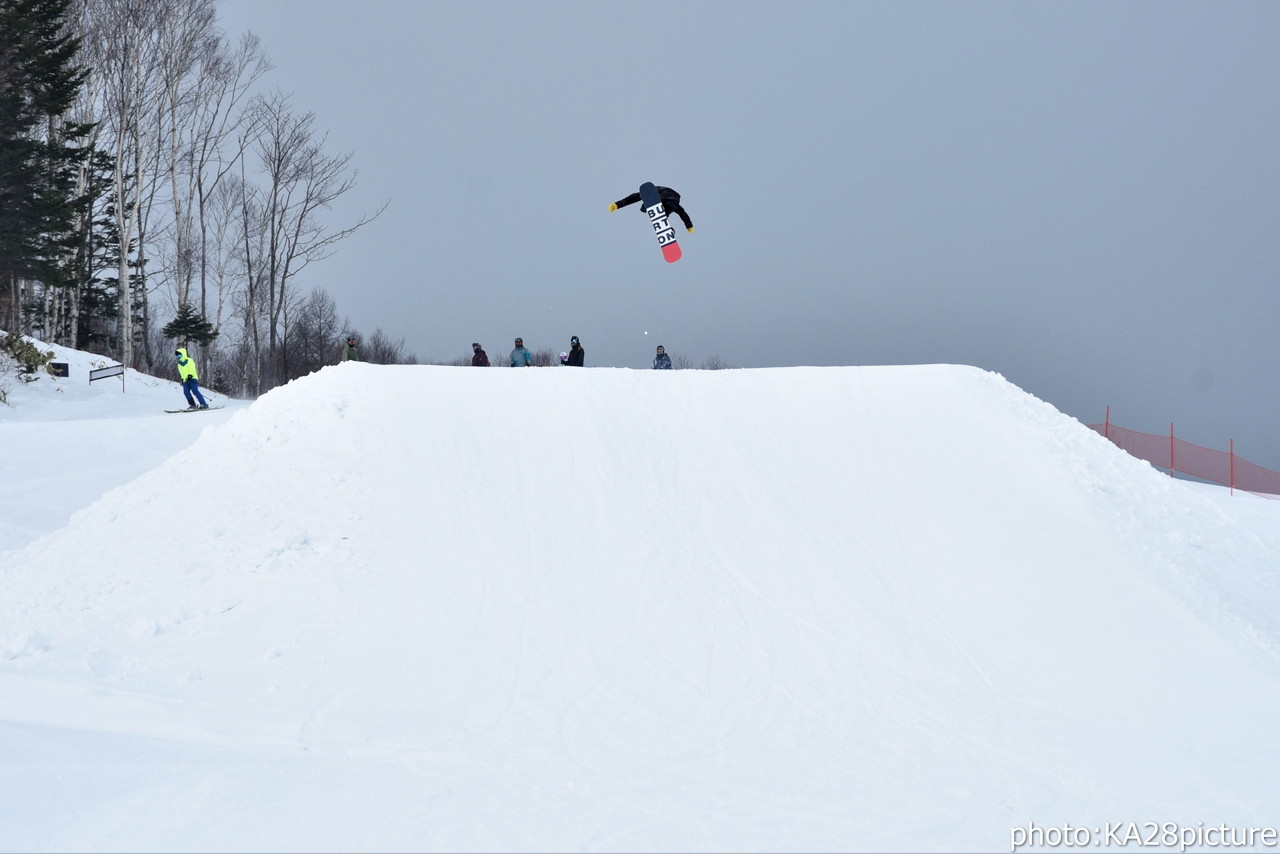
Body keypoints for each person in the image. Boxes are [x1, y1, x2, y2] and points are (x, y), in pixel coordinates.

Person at [609, 186, 693, 232]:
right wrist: (689, 225)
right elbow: (682, 212)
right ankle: (668, 230)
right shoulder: (652, 193)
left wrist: (617, 204)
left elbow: (632, 198)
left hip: (663, 197)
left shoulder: (648, 194)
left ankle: (666, 228)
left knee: (658, 213)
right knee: (663, 217)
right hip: (674, 200)